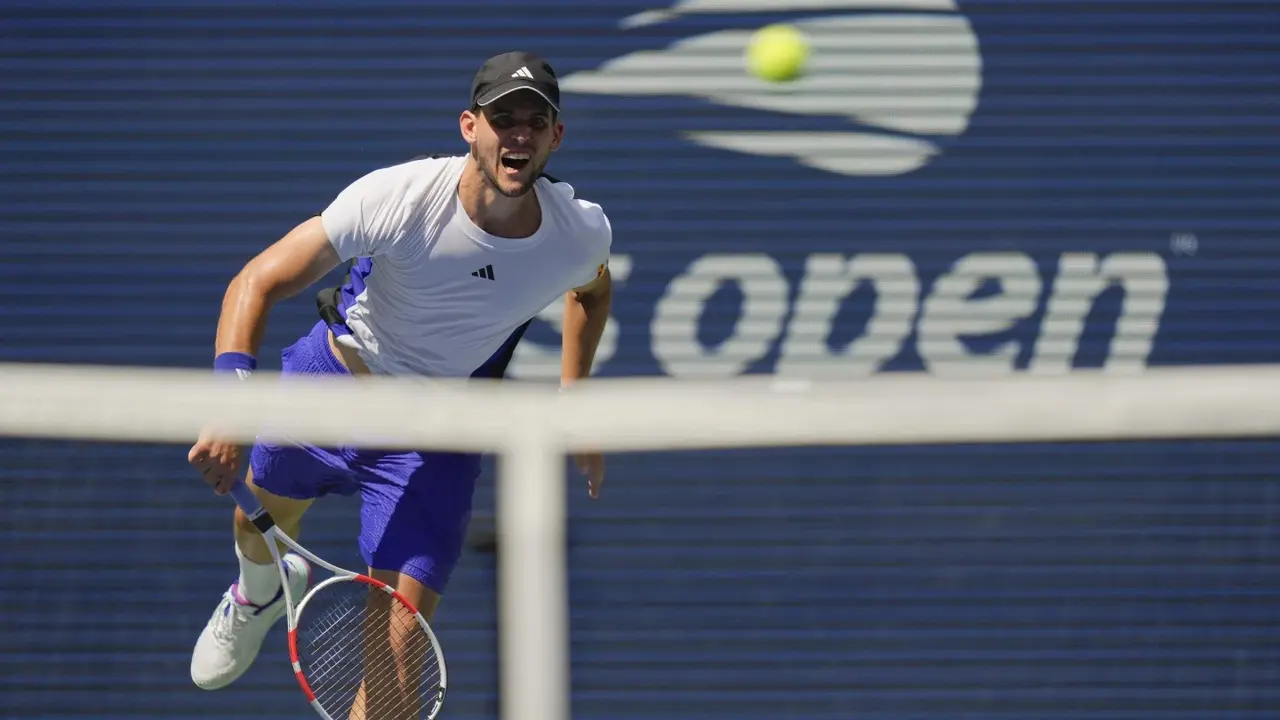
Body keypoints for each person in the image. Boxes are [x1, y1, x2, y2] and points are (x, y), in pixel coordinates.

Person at [186, 50, 612, 693]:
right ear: (471, 127)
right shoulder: (400, 196)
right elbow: (257, 281)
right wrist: (230, 406)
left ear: (555, 136)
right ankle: (257, 593)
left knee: (394, 662)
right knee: (255, 522)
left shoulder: (577, 234)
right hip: (333, 380)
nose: (518, 133)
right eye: (503, 118)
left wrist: (575, 403)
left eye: (534, 120)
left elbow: (592, 292)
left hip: (436, 436)